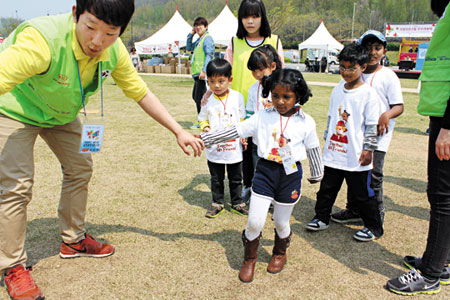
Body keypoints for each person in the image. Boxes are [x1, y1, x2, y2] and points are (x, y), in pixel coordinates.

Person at [0, 1, 203, 299]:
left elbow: (139, 91)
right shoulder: (42, 40)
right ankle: (12, 266)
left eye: (110, 33)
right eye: (90, 27)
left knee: (81, 167)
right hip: (15, 109)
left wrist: (178, 130)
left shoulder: (115, 50)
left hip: (61, 114)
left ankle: (73, 240)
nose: (97, 41)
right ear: (75, 14)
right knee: (17, 185)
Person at [200, 68, 323, 283]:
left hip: (290, 174)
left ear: (298, 96)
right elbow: (235, 130)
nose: (280, 101)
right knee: (255, 221)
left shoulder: (306, 121)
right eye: (275, 95)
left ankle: (280, 252)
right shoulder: (262, 117)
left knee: (281, 222)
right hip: (265, 172)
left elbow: (313, 148)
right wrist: (205, 138)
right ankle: (250, 258)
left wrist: (317, 172)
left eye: (287, 96)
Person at [387, 0, 450, 295]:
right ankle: (442, 260)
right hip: (442, 115)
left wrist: (448, 126)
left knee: (442, 196)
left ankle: (431, 273)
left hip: (447, 119)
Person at [305, 43, 383, 242]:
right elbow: (332, 118)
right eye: (342, 67)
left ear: (363, 67)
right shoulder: (338, 89)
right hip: (333, 153)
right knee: (327, 189)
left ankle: (373, 227)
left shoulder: (369, 94)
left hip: (356, 155)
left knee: (361, 193)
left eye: (351, 68)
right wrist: (327, 140)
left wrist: (369, 149)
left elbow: (372, 126)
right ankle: (321, 217)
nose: (346, 72)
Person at [330, 30, 404, 234]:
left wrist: (386, 116)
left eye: (377, 48)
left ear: (384, 51)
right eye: (368, 47)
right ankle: (353, 209)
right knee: (353, 173)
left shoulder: (388, 76)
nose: (373, 52)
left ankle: (376, 214)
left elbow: (399, 106)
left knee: (374, 176)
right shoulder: (354, 72)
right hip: (353, 137)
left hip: (377, 138)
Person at [224, 0, 284, 203]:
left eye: (255, 16)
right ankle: (248, 186)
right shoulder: (234, 42)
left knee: (269, 152)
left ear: (262, 17)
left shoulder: (274, 40)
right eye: (245, 16)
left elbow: (283, 75)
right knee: (247, 154)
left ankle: (269, 190)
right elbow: (225, 73)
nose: (250, 21)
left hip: (271, 110)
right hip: (244, 109)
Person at [198, 58, 248, 218]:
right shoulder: (207, 100)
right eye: (212, 81)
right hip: (215, 148)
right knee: (216, 178)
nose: (216, 86)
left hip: (234, 148)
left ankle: (237, 203)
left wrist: (243, 136)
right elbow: (202, 118)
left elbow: (242, 119)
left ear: (230, 80)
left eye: (221, 81)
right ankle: (217, 203)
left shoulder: (237, 97)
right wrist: (205, 127)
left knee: (236, 178)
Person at [246, 44, 282, 170]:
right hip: (258, 141)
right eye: (253, 70)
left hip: (280, 141)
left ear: (273, 66)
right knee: (260, 173)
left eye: (261, 69)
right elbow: (249, 114)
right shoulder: (253, 89)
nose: (257, 74)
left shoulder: (283, 87)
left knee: (283, 174)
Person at [186, 17, 214, 129]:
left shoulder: (207, 39)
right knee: (196, 96)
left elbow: (209, 54)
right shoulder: (199, 39)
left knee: (200, 98)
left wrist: (204, 70)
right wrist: (190, 35)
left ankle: (202, 121)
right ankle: (202, 119)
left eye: (200, 25)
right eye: (196, 25)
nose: (198, 27)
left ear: (206, 26)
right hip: (197, 75)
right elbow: (189, 48)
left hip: (203, 75)